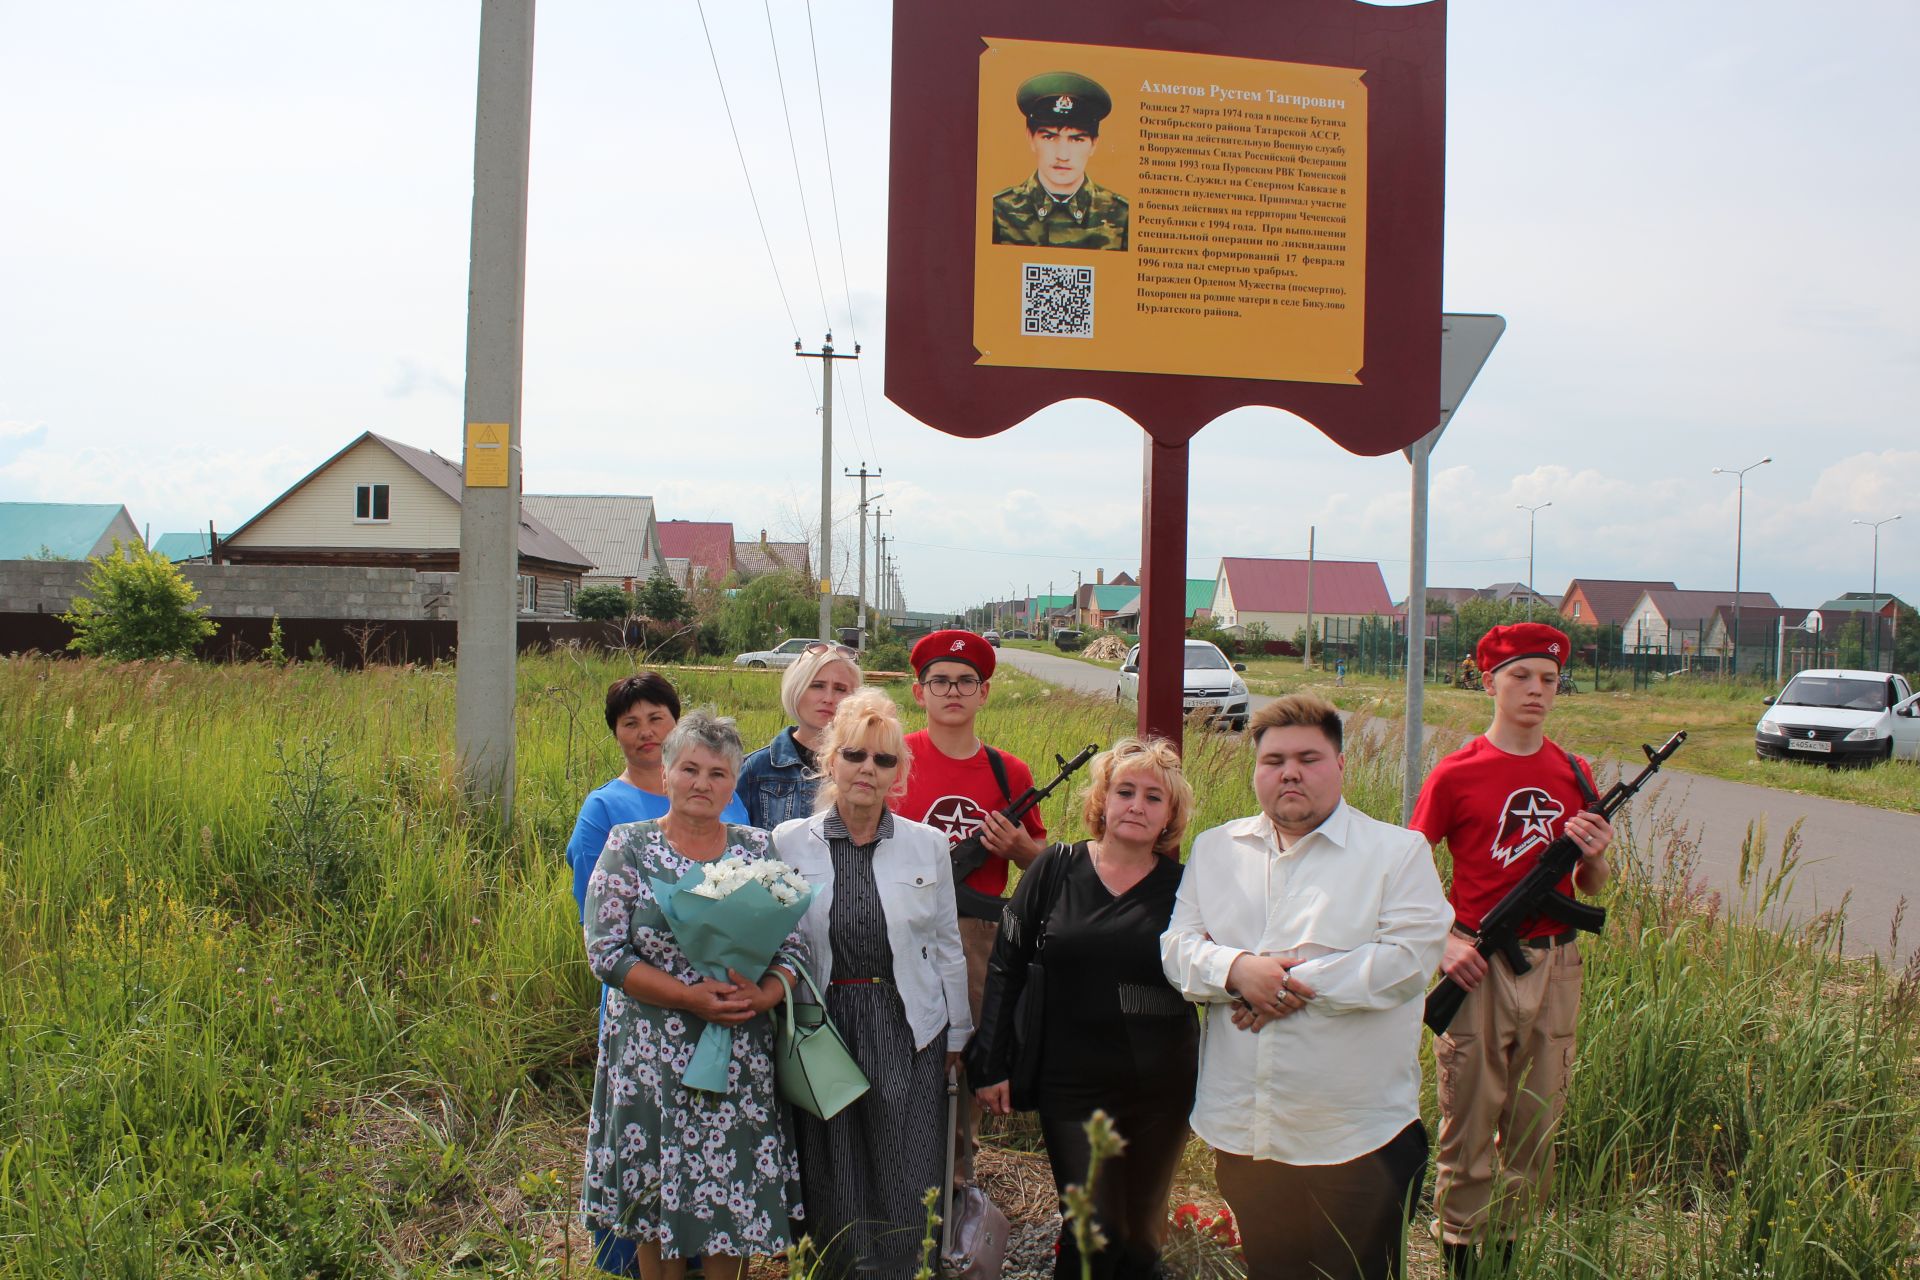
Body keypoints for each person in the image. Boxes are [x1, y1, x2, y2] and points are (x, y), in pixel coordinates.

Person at [1162, 694, 1452, 1280]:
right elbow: (1177, 949)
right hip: (1248, 1131)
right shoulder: (1217, 849)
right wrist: (1240, 971)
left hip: (1355, 1137)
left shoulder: (1396, 853)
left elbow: (1407, 963)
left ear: (1340, 765)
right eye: (1273, 760)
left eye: (1308, 758)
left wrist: (1284, 982)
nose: (1289, 772)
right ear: (1257, 771)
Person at [1409, 623, 1614, 1278]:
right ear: (1488, 681)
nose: (1536, 691)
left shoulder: (1573, 772)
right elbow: (1404, 876)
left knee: (1536, 1127)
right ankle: (1461, 1260)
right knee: (1468, 1127)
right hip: (1478, 966)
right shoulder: (1456, 774)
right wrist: (1444, 941)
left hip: (1556, 964)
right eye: (1521, 677)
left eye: (1548, 680)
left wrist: (1598, 855)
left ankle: (1509, 1258)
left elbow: (1590, 886)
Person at [580, 710, 803, 1279]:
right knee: (655, 1190)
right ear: (666, 774)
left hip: (738, 1050)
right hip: (651, 1054)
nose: (703, 783)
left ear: (734, 782)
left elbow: (794, 947)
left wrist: (767, 995)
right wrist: (687, 996)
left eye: (718, 773)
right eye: (690, 769)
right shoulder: (628, 845)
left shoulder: (758, 849)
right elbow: (607, 953)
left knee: (734, 1192)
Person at [970, 737, 1200, 1280]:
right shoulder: (1056, 868)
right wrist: (992, 1063)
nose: (1137, 806)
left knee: (1143, 1237)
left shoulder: (1188, 887)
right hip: (1070, 1083)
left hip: (1160, 1086)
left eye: (1153, 797)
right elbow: (1006, 966)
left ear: (1171, 815)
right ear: (1103, 800)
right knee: (1091, 1230)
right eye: (1125, 791)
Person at [773, 688, 971, 1278]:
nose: (868, 770)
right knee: (833, 1159)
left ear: (899, 774)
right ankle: (837, 1268)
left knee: (906, 1158)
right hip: (822, 1023)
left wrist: (958, 1035)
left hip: (905, 1020)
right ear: (831, 761)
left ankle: (904, 1269)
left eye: (884, 761)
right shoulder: (787, 841)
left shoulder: (928, 845)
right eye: (856, 755)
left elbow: (948, 947)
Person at [891, 628, 1046, 1183]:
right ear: (919, 692)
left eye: (966, 682)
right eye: (940, 681)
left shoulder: (1011, 773)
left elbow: (1044, 866)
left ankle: (955, 1186)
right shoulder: (892, 757)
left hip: (979, 934)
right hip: (901, 927)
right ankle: (898, 1178)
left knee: (964, 1059)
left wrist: (1020, 848)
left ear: (984, 693)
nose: (952, 691)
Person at [567, 673, 750, 920]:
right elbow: (595, 911)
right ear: (616, 733)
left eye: (655, 719)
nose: (645, 732)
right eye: (631, 723)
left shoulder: (720, 790)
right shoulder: (602, 808)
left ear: (677, 723)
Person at [990, 72, 1129, 251]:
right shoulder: (998, 211)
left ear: (1094, 144)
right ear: (1030, 138)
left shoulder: (1123, 216)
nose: (1062, 155)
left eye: (1077, 139)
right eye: (1049, 137)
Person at [737, 643, 863, 830]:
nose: (828, 698)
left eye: (840, 689)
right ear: (796, 689)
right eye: (817, 686)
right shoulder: (756, 769)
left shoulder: (869, 766)